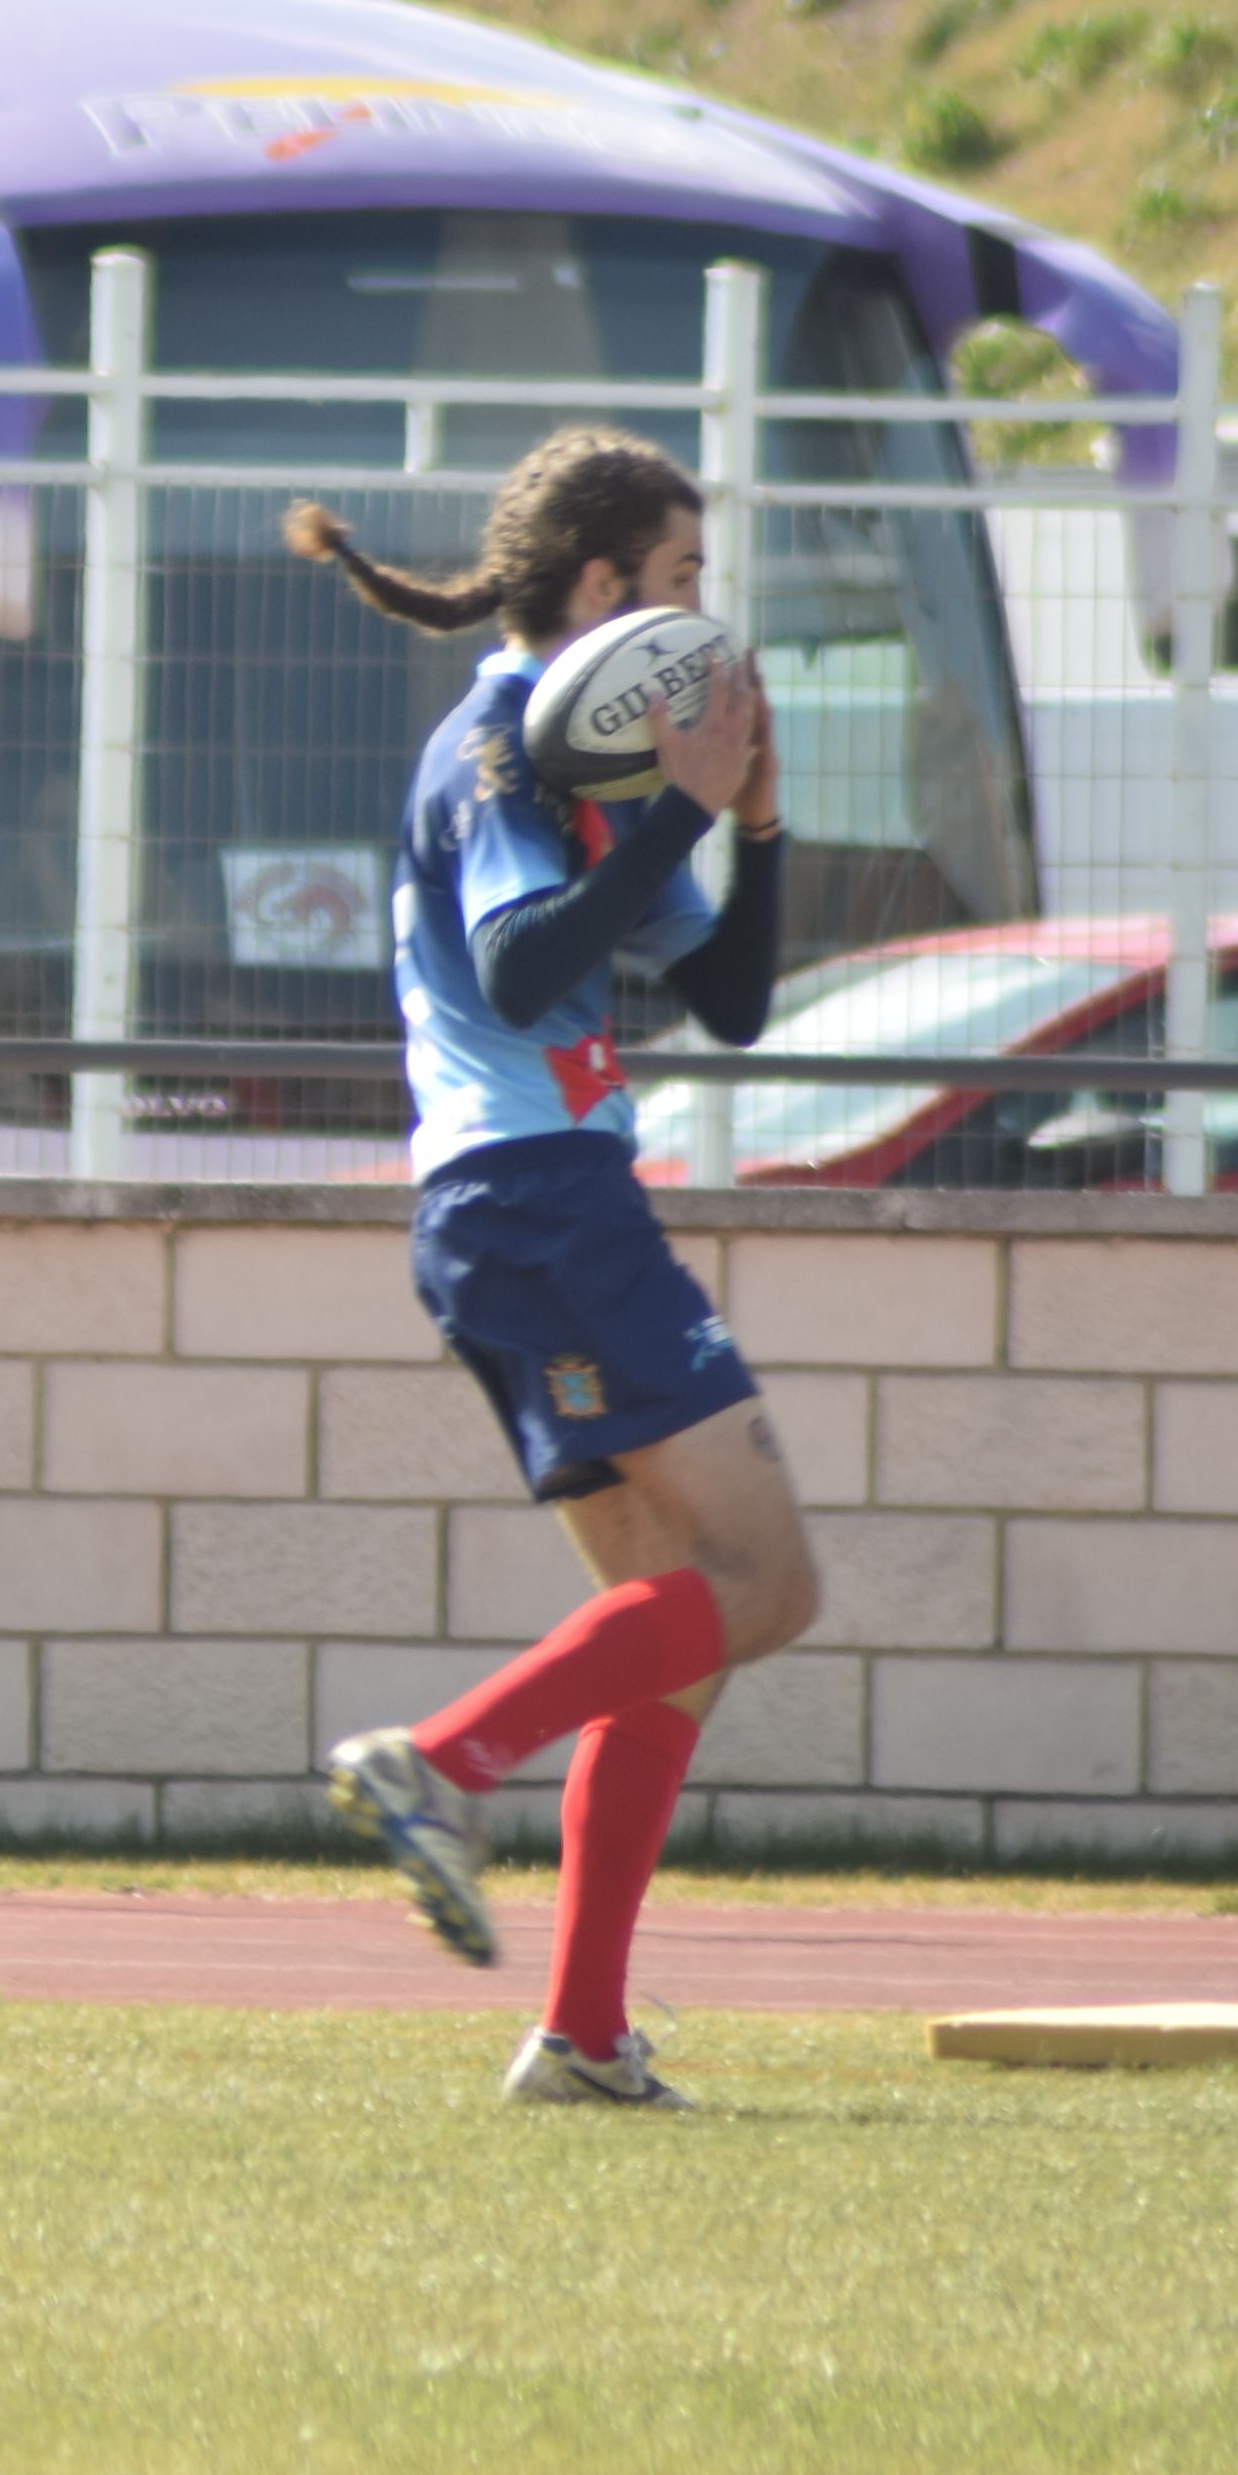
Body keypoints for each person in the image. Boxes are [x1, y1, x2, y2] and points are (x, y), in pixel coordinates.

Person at [290, 436, 812, 2107]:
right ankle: (443, 1763)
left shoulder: (579, 765)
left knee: (681, 1633)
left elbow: (728, 1000)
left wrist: (758, 812)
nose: (703, 618)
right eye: (681, 582)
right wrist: (671, 810)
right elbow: (524, 974)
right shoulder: (511, 747)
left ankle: (583, 2038)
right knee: (773, 1583)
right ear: (601, 590)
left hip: (514, 1217)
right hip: (545, 1210)